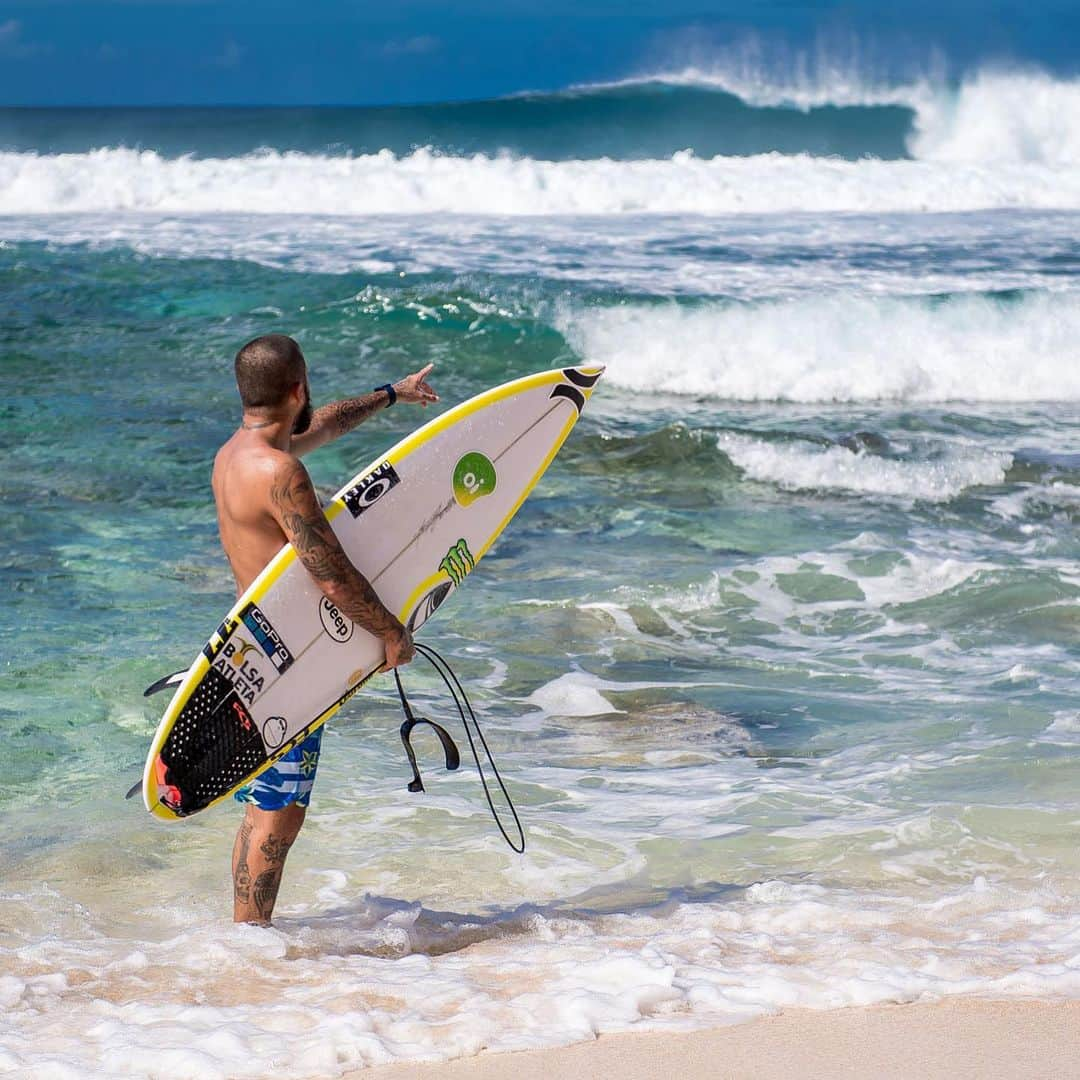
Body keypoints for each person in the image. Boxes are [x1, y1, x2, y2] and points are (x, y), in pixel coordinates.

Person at [213, 333, 438, 925]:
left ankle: (244, 933)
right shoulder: (281, 472)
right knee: (279, 809)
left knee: (267, 803)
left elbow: (329, 424)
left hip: (251, 649)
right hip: (289, 663)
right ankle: (250, 940)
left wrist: (394, 394)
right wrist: (390, 632)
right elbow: (329, 571)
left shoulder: (239, 454)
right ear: (298, 388)